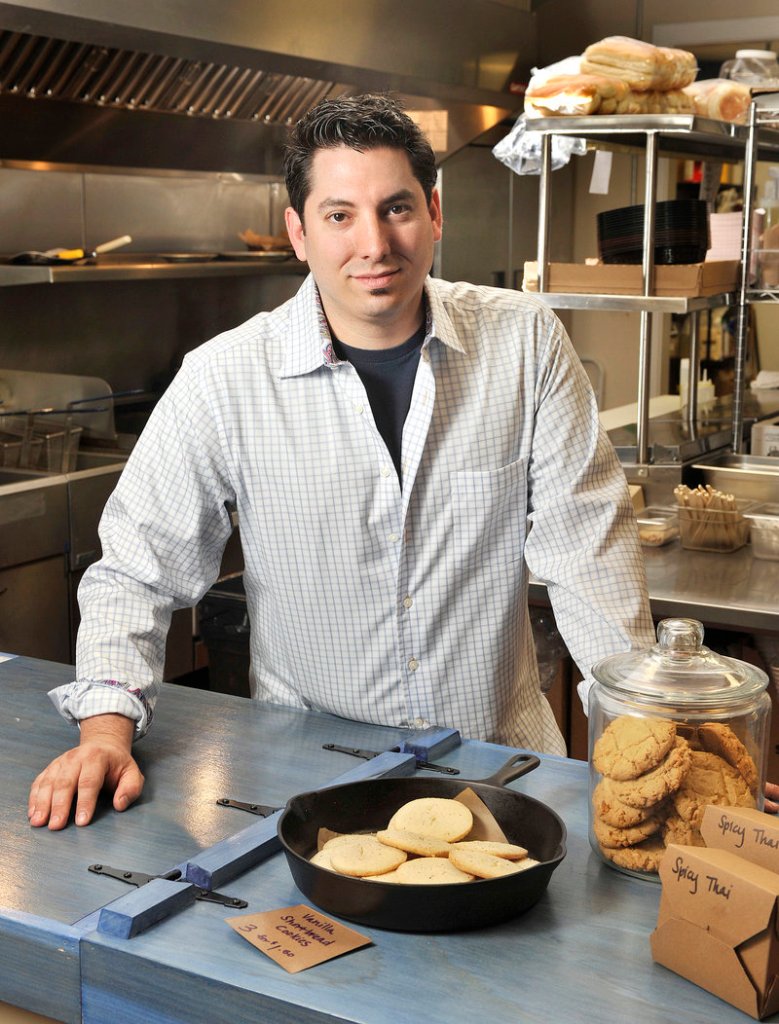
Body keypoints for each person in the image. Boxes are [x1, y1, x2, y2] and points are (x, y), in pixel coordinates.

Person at [31, 93, 668, 831]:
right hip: (308, 782)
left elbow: (588, 551)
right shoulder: (225, 377)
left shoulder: (524, 344)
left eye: (396, 209)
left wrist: (649, 735)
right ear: (298, 233)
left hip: (500, 769)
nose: (374, 243)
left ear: (434, 214)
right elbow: (136, 571)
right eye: (339, 216)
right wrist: (106, 728)